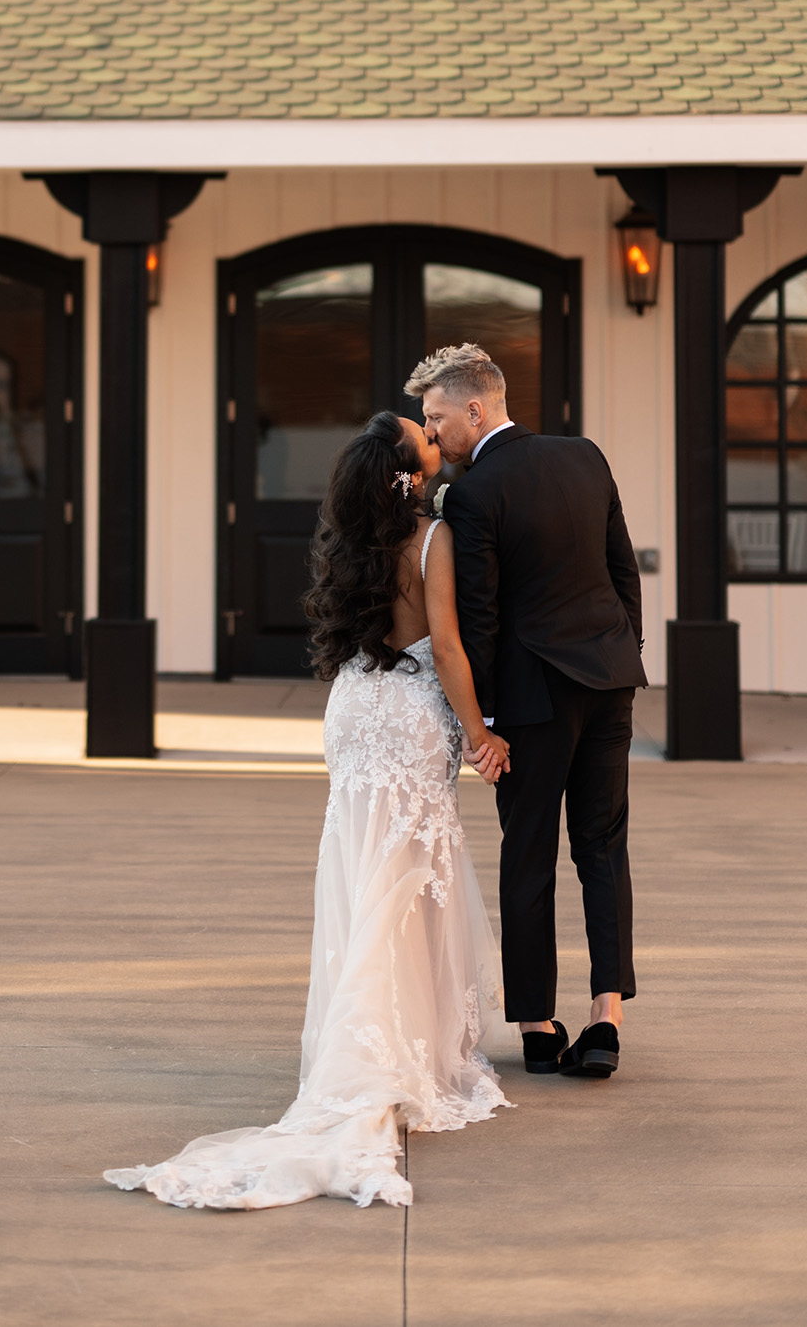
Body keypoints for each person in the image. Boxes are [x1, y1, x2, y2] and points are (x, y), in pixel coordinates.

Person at [105, 412, 515, 1211]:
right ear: (412, 473)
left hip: (355, 709)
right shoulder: (432, 540)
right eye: (424, 439)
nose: (436, 439)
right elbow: (452, 647)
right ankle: (391, 1060)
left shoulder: (351, 541)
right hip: (408, 717)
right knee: (408, 880)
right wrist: (480, 733)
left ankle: (373, 1043)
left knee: (367, 876)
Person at [410, 343, 646, 1082]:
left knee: (530, 853)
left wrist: (481, 727)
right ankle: (606, 1017)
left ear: (475, 409)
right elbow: (621, 571)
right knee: (602, 846)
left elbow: (477, 622)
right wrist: (621, 654)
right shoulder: (586, 457)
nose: (433, 432)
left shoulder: (476, 493)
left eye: (437, 416)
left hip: (534, 699)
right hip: (608, 679)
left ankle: (539, 1028)